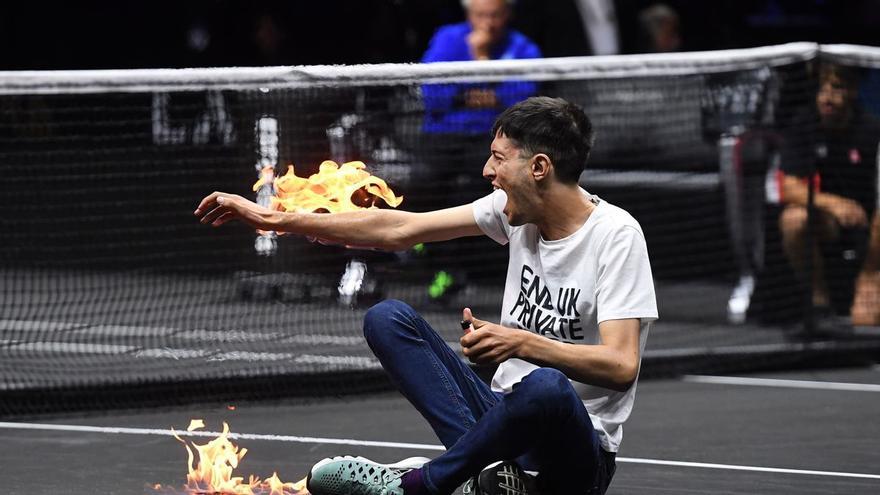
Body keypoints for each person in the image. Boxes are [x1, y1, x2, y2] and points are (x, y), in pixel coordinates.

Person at [194, 96, 658, 494]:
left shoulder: (617, 236)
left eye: (499, 158)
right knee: (388, 318)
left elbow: (621, 366)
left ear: (539, 168)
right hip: (501, 423)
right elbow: (399, 227)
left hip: (575, 456)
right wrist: (277, 219)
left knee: (546, 385)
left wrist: (521, 343)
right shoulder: (511, 209)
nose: (487, 171)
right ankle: (489, 479)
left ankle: (419, 484)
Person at [778, 63, 880, 326]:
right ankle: (819, 300)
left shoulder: (871, 130)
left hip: (871, 229)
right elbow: (790, 187)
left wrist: (870, 271)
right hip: (828, 219)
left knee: (866, 321)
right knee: (793, 220)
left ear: (853, 91)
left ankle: (867, 281)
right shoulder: (804, 124)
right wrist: (835, 204)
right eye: (822, 88)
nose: (827, 96)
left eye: (836, 88)